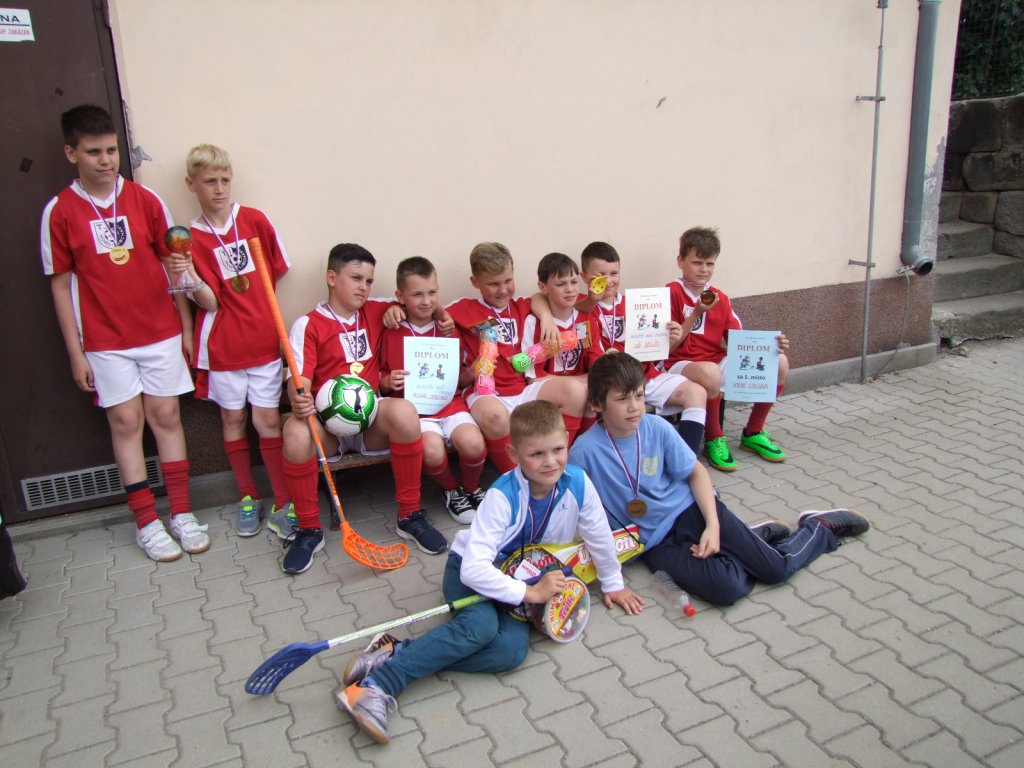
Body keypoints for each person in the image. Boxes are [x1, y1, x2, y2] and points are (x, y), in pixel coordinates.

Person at [335, 400, 644, 744]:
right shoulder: (501, 495)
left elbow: (599, 536)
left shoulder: (579, 483)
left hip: (522, 576)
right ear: (513, 453)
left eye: (558, 449)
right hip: (470, 572)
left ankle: (398, 652)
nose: (550, 461)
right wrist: (530, 594)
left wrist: (613, 583)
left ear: (567, 442)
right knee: (479, 628)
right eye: (536, 453)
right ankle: (376, 685)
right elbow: (473, 569)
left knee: (510, 653)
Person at [569, 353, 869, 607]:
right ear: (596, 404)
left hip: (692, 512)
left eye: (639, 395)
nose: (635, 407)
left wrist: (712, 526)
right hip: (653, 543)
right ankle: (755, 537)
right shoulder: (583, 452)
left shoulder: (656, 427)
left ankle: (819, 528)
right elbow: (575, 510)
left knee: (776, 570)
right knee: (728, 590)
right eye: (622, 399)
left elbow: (696, 473)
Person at [40, 104, 204, 562]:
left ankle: (182, 513)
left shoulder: (145, 200)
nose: (106, 160)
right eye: (94, 152)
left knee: (166, 417)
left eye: (111, 150)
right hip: (104, 341)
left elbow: (174, 267)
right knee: (126, 423)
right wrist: (76, 353)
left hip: (159, 332)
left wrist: (185, 327)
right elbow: (60, 286)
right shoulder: (59, 211)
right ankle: (147, 522)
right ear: (72, 153)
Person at [280, 243, 446, 574]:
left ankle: (410, 515)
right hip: (328, 427)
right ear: (331, 277)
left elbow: (423, 303)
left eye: (369, 281)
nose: (364, 287)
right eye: (356, 278)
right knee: (295, 431)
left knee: (404, 412)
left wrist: (441, 315)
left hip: (370, 422)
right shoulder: (308, 324)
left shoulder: (375, 310)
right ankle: (308, 529)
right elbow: (299, 380)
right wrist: (299, 397)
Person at [182, 144, 292, 537]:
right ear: (191, 184)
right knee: (233, 419)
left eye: (225, 180)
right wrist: (187, 274)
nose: (219, 189)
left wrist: (255, 309)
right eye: (210, 181)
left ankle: (284, 501)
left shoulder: (254, 220)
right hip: (223, 347)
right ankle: (248, 496)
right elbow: (209, 301)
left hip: (262, 341)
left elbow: (277, 270)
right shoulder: (189, 238)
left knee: (267, 420)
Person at [445, 242, 588, 471]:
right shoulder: (462, 309)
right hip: (486, 393)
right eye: (493, 284)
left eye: (508, 281)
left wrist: (546, 318)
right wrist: (397, 310)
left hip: (523, 389)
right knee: (494, 416)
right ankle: (514, 475)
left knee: (576, 391)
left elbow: (538, 297)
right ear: (475, 282)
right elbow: (430, 311)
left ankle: (560, 465)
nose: (503, 289)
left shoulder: (522, 305)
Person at [664, 226, 790, 471]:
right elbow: (669, 347)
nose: (704, 269)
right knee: (710, 372)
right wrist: (696, 312)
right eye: (697, 262)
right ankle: (713, 438)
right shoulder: (669, 293)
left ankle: (753, 432)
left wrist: (769, 347)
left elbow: (738, 342)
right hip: (678, 363)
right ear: (680, 261)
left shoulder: (719, 297)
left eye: (709, 264)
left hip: (713, 361)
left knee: (779, 363)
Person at [380, 257, 488, 524]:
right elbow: (379, 374)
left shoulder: (448, 328)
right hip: (415, 412)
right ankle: (451, 490)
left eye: (432, 292)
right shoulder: (390, 330)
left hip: (450, 405)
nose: (426, 301)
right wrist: (386, 382)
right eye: (417, 294)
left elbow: (458, 379)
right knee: (431, 451)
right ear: (400, 296)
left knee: (473, 444)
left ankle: (472, 488)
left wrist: (472, 372)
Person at [575, 241, 708, 454]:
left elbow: (658, 351)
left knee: (696, 393)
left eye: (614, 273)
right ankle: (605, 457)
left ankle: (685, 459)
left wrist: (671, 337)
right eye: (600, 275)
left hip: (645, 375)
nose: (608, 281)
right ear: (584, 277)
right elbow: (589, 354)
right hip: (612, 383)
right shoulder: (581, 309)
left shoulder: (638, 304)